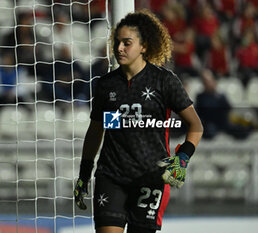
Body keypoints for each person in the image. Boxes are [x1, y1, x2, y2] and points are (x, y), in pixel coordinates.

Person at [73, 9, 203, 233]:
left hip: (150, 178)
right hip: (111, 176)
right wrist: (85, 172)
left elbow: (196, 126)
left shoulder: (164, 82)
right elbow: (99, 131)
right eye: (117, 42)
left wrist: (182, 158)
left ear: (144, 46)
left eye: (127, 43)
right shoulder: (107, 85)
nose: (119, 48)